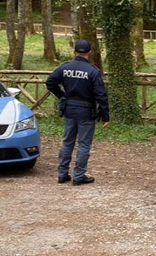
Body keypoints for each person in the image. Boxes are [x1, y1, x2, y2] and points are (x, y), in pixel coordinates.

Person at [46, 39, 110, 186]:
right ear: (90, 52)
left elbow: (50, 82)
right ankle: (79, 176)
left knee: (67, 142)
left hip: (69, 110)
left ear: (74, 51)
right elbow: (101, 94)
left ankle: (62, 174)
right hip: (86, 111)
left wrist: (62, 95)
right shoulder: (93, 71)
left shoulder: (65, 68)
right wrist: (105, 115)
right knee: (83, 144)